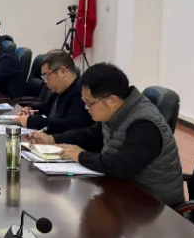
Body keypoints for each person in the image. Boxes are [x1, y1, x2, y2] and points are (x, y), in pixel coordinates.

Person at [36, 63, 185, 208]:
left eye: (89, 103)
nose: (86, 108)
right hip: (125, 191)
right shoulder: (116, 110)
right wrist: (53, 139)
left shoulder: (145, 125)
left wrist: (81, 156)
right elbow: (91, 135)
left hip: (154, 206)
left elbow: (121, 166)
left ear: (112, 100)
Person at [15, 50, 92, 135]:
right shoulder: (60, 91)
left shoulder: (81, 94)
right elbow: (47, 107)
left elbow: (68, 125)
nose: (45, 81)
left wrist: (32, 121)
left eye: (46, 75)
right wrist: (30, 108)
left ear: (63, 71)